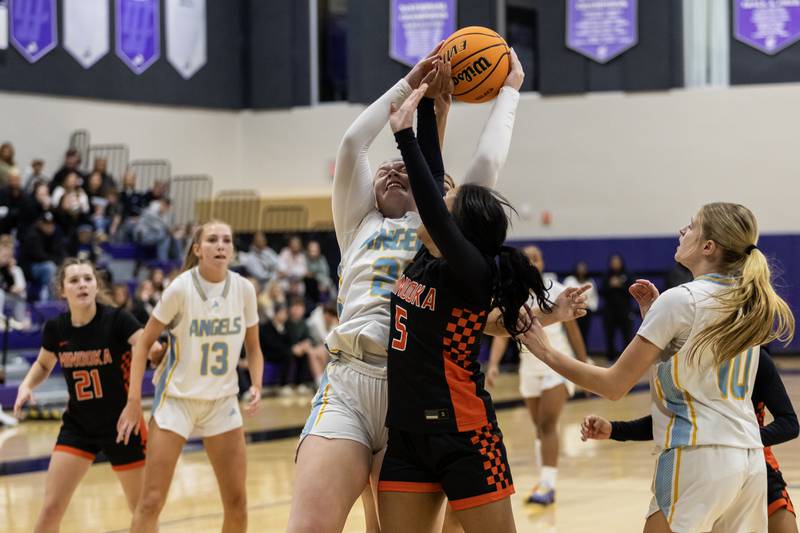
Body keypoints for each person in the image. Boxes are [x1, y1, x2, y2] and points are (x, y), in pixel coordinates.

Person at [287, 46, 533, 533]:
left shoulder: (443, 231)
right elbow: (353, 144)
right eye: (387, 169)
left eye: (406, 167)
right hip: (351, 383)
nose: (395, 168)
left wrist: (506, 92)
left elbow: (476, 165)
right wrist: (410, 84)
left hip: (414, 394)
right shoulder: (357, 224)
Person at [376, 81, 588, 533]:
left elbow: (431, 203)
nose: (429, 203)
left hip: (464, 433)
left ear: (457, 229)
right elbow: (433, 181)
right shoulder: (422, 261)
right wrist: (433, 103)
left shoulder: (469, 271)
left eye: (444, 206)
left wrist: (404, 133)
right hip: (407, 434)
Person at [518, 202, 795, 532]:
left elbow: (613, 385)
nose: (683, 231)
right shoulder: (745, 302)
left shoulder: (680, 300)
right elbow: (698, 368)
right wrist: (656, 318)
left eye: (691, 226)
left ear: (709, 247)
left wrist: (546, 351)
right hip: (749, 461)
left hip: (695, 456)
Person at [116, 220, 264, 533]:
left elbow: (253, 348)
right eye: (212, 240)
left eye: (226, 239)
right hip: (176, 401)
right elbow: (143, 343)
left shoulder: (244, 289)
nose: (221, 245)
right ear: (197, 249)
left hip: (222, 401)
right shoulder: (181, 288)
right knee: (151, 500)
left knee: (237, 502)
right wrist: (133, 402)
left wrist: (257, 385)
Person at [13, 258, 161, 532]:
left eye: (87, 279)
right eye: (74, 280)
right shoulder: (56, 328)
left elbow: (146, 347)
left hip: (123, 426)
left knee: (142, 510)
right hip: (79, 426)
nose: (82, 284)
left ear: (96, 286)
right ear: (62, 290)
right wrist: (26, 385)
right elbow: (44, 364)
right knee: (50, 509)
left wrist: (156, 350)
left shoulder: (117, 319)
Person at [581, 348, 798, 533]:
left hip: (758, 465)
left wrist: (740, 437)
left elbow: (789, 423)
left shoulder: (756, 356)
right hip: (701, 465)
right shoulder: (693, 356)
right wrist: (614, 429)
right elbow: (676, 422)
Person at [487, 245, 590, 506]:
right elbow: (502, 332)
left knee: (547, 423)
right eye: (527, 258)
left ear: (543, 262)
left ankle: (548, 484)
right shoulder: (513, 293)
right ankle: (543, 478)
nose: (532, 262)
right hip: (528, 367)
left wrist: (584, 363)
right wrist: (493, 364)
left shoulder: (554, 288)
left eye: (536, 258)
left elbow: (574, 330)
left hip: (556, 363)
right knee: (539, 427)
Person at [600, 253, 633, 361]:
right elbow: (602, 291)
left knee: (627, 336)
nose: (615, 264)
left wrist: (620, 285)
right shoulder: (606, 276)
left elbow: (632, 291)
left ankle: (627, 359)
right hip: (610, 312)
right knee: (609, 336)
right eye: (613, 262)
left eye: (617, 262)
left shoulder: (627, 275)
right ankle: (610, 358)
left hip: (624, 311)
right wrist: (610, 285)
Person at [563, 260, 598, 341]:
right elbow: (564, 295)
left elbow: (594, 297)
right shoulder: (569, 280)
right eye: (580, 268)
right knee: (572, 333)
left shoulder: (591, 281)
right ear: (576, 269)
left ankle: (583, 351)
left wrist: (591, 308)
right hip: (572, 310)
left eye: (584, 268)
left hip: (586, 311)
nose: (581, 270)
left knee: (584, 333)